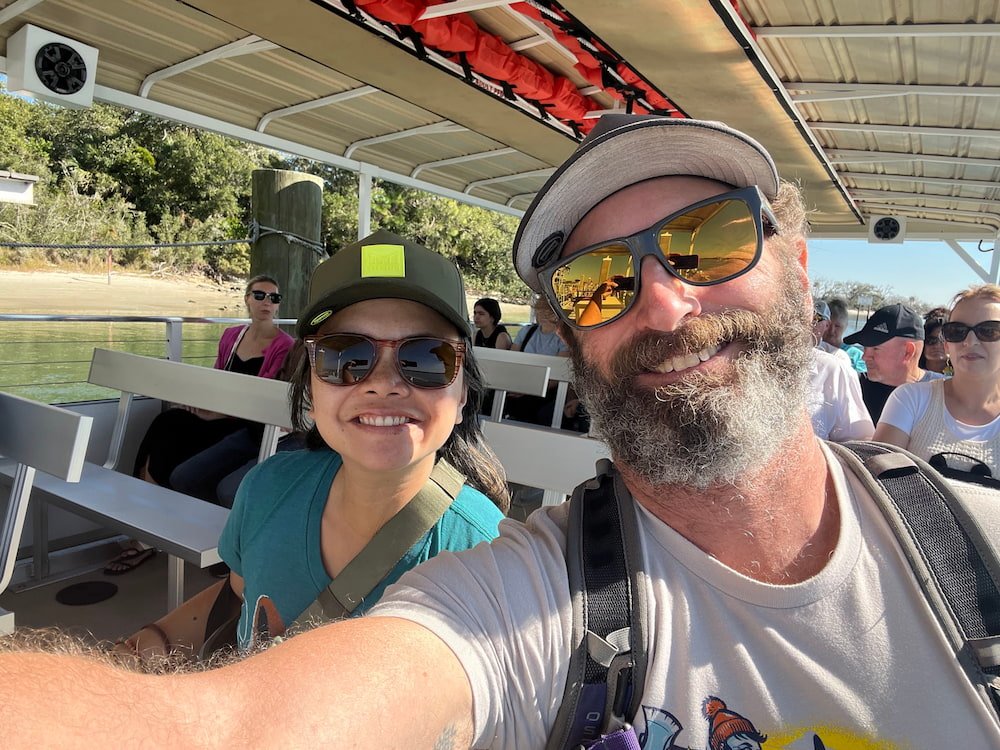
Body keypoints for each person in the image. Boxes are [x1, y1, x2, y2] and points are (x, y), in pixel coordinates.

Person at [2, 117, 999, 749]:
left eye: (709, 239)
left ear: (800, 275)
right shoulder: (522, 598)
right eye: (599, 280)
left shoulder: (973, 539)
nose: (661, 298)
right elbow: (235, 725)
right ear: (570, 335)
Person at [113, 230, 508, 660]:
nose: (383, 385)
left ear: (464, 390)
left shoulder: (486, 558)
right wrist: (150, 643)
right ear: (310, 385)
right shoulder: (266, 489)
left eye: (427, 358)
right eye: (345, 356)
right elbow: (237, 598)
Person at [104, 275, 295, 574]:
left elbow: (263, 400)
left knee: (178, 438)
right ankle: (147, 518)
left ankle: (152, 531)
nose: (267, 303)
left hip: (245, 422)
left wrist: (215, 414)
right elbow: (216, 379)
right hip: (219, 414)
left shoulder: (284, 346)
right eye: (260, 295)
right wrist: (200, 405)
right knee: (167, 421)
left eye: (274, 298)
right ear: (247, 299)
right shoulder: (232, 336)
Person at [874, 284, 1000, 478]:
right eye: (957, 331)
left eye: (989, 331)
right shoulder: (911, 399)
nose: (970, 341)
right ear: (947, 344)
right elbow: (879, 486)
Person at [844, 302, 946, 422]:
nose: (865, 357)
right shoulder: (852, 388)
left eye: (875, 349)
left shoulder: (946, 393)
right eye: (865, 348)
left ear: (908, 352)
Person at [823, 297, 866, 373]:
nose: (831, 331)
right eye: (828, 325)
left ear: (845, 326)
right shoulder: (812, 350)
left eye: (837, 326)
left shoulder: (858, 356)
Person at [919, 310, 952, 375]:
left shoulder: (962, 375)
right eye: (931, 340)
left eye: (943, 340)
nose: (937, 345)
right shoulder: (910, 375)